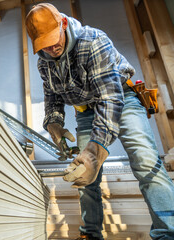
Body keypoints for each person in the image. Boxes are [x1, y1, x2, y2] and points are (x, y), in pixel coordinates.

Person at [25, 3, 174, 240]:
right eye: (44, 43)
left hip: (121, 100)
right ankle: (90, 234)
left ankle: (168, 233)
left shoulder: (93, 40)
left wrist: (97, 149)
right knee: (85, 173)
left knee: (145, 161)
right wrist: (54, 123)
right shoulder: (44, 60)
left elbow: (109, 98)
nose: (52, 47)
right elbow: (52, 95)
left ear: (63, 24)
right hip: (85, 111)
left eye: (54, 39)